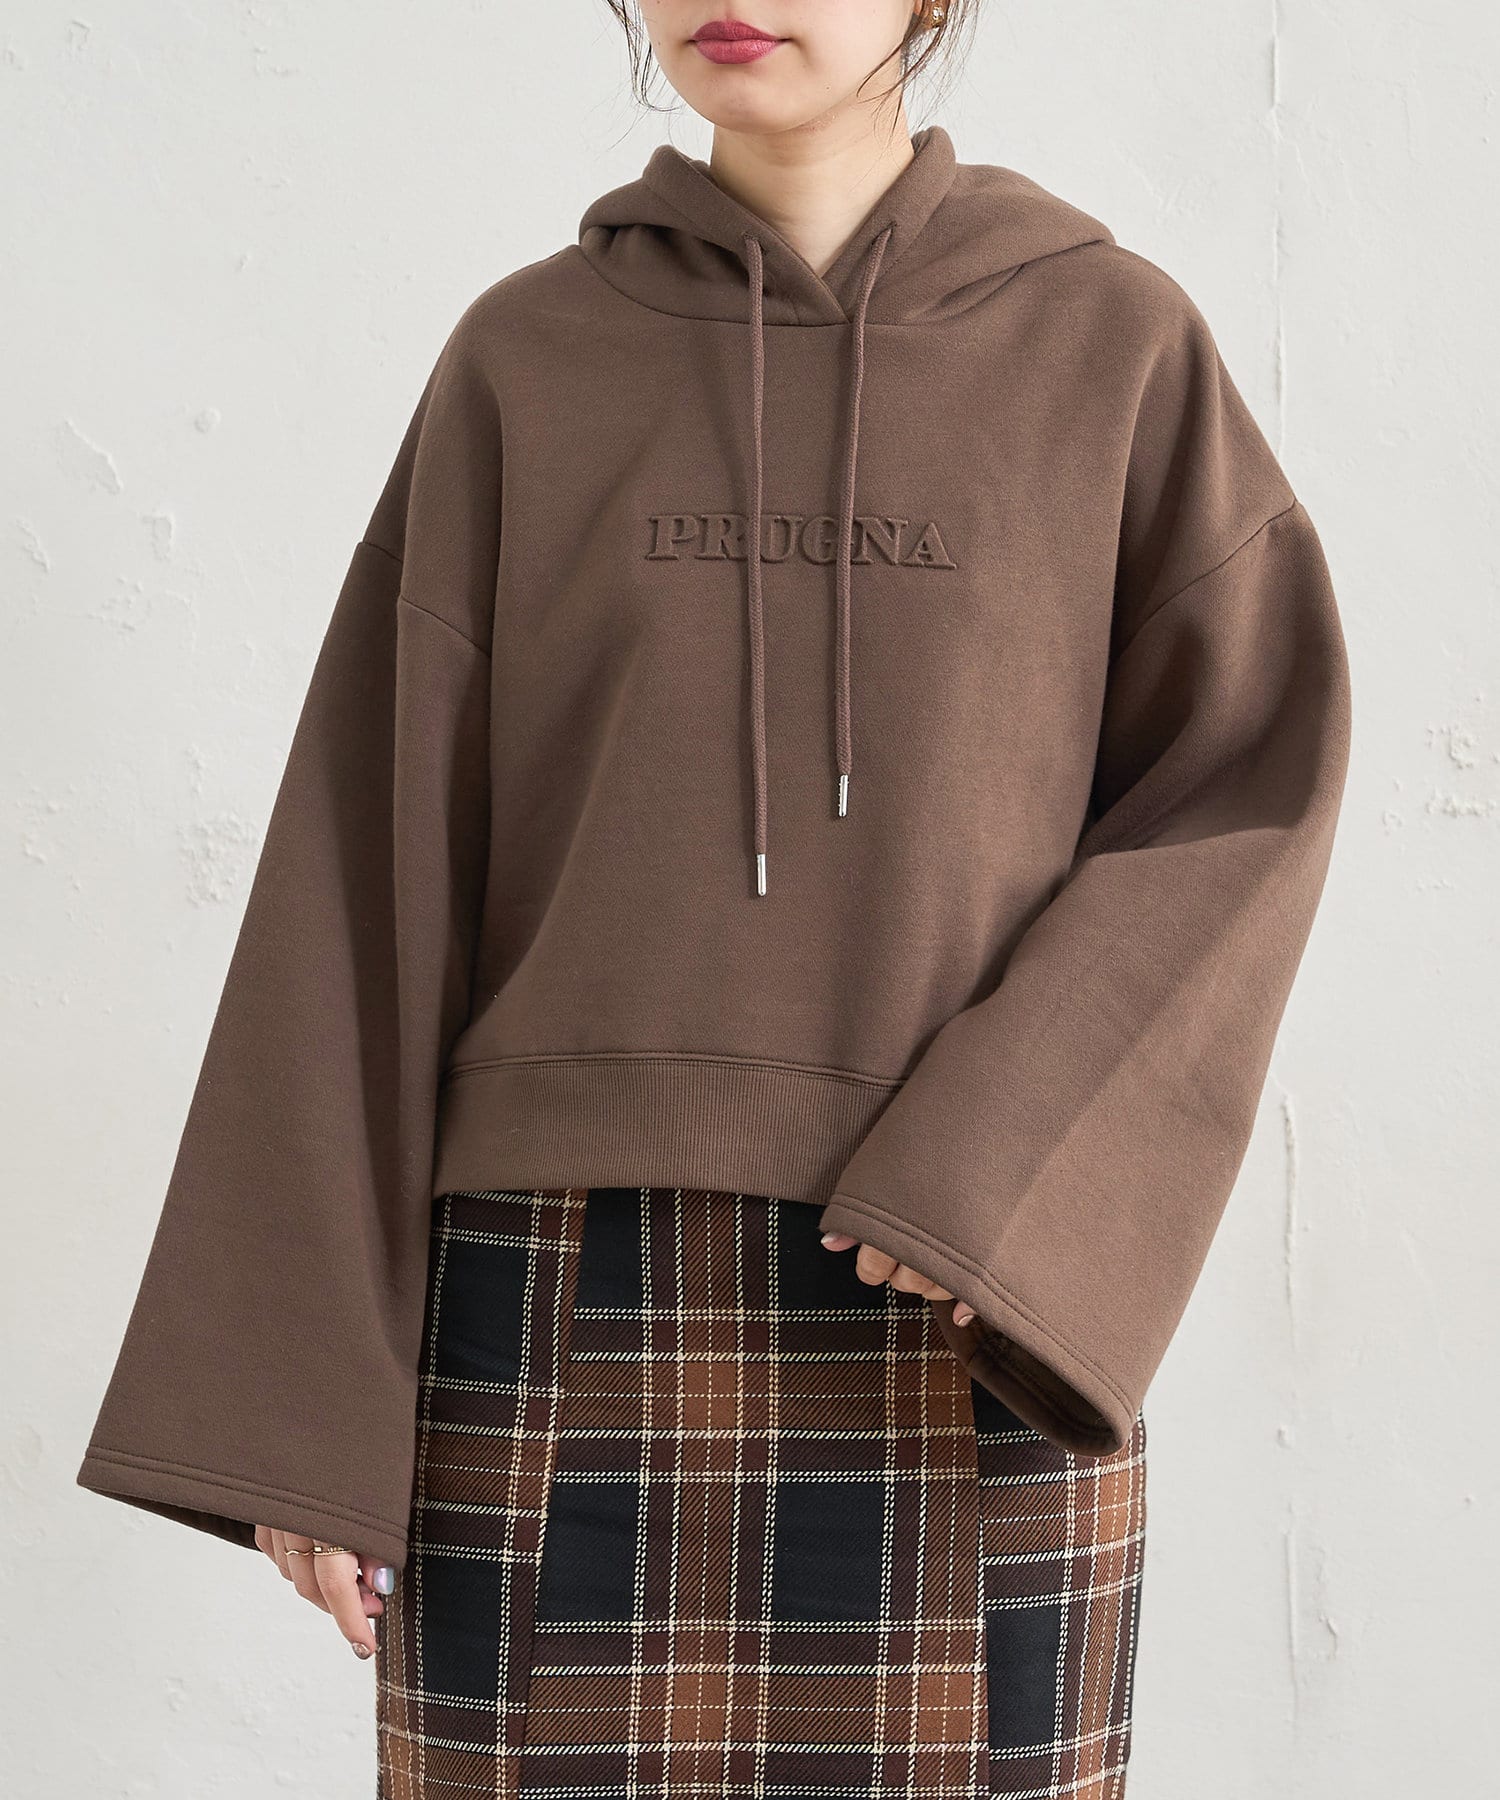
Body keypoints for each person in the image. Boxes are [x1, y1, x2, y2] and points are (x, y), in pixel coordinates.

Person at [75, 3, 1352, 1795]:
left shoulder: (1114, 350)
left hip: (966, 1304)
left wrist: (1005, 1164)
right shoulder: (524, 361)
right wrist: (299, 1411)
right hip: (546, 1299)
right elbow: (363, 871)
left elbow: (1243, 791)